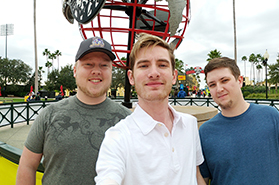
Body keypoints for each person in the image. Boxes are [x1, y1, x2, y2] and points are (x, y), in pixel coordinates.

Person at [16, 36, 131, 185]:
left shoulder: (127, 120)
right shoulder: (49, 115)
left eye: (104, 65)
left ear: (111, 71)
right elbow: (27, 165)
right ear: (75, 70)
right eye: (88, 64)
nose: (96, 71)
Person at [95, 33, 205, 185]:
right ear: (131, 77)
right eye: (144, 65)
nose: (154, 73)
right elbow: (108, 177)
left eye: (162, 65)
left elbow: (196, 175)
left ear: (174, 76)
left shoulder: (189, 124)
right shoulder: (118, 138)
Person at [199, 57, 279, 185]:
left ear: (239, 81)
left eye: (224, 80)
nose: (219, 89)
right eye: (212, 85)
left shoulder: (270, 117)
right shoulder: (205, 132)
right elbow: (202, 179)